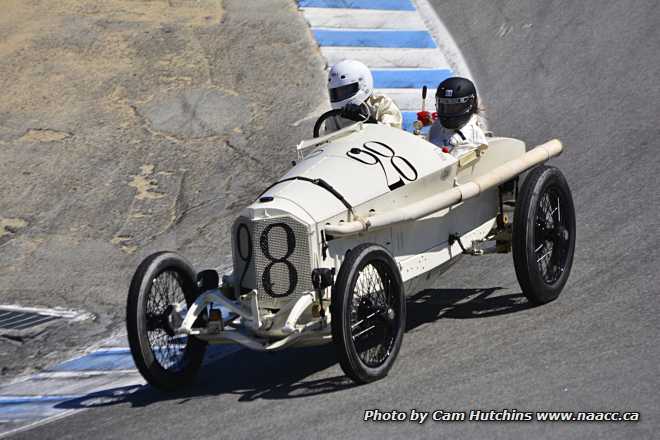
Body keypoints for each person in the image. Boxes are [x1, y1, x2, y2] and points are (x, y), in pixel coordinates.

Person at [325, 60, 402, 132]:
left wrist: (366, 119)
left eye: (345, 90)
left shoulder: (382, 103)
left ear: (363, 84)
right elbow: (328, 142)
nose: (341, 94)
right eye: (337, 92)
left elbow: (392, 133)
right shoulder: (333, 117)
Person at [429, 77, 488, 156]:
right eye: (444, 106)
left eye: (454, 107)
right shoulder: (437, 126)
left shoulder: (475, 136)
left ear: (470, 104)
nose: (448, 111)